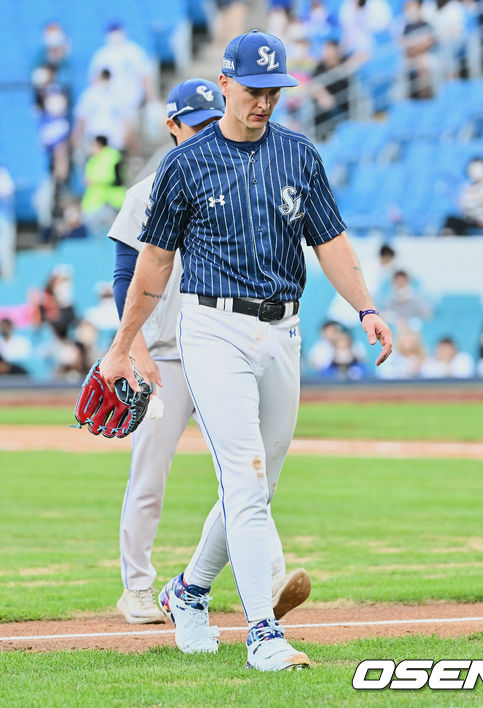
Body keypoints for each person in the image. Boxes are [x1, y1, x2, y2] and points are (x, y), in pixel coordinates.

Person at [100, 30, 392, 671]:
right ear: (226, 83)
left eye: (274, 91)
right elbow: (151, 264)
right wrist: (125, 343)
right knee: (246, 477)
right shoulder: (184, 164)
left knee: (262, 481)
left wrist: (366, 307)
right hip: (213, 329)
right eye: (254, 90)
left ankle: (189, 590)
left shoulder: (299, 155)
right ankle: (263, 632)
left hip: (283, 328)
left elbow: (331, 243)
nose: (264, 102)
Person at [110, 78, 311, 626]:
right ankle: (138, 588)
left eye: (209, 121)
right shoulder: (147, 192)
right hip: (164, 355)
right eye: (193, 124)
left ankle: (270, 574)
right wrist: (132, 349)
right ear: (172, 126)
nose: (203, 132)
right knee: (150, 473)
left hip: (223, 343)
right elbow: (125, 277)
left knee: (248, 469)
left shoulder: (239, 178)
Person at [442, 157, 483, 236]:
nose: (476, 172)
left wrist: (477, 194)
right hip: (472, 219)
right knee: (451, 221)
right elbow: (464, 208)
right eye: (473, 169)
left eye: (479, 169)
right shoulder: (467, 185)